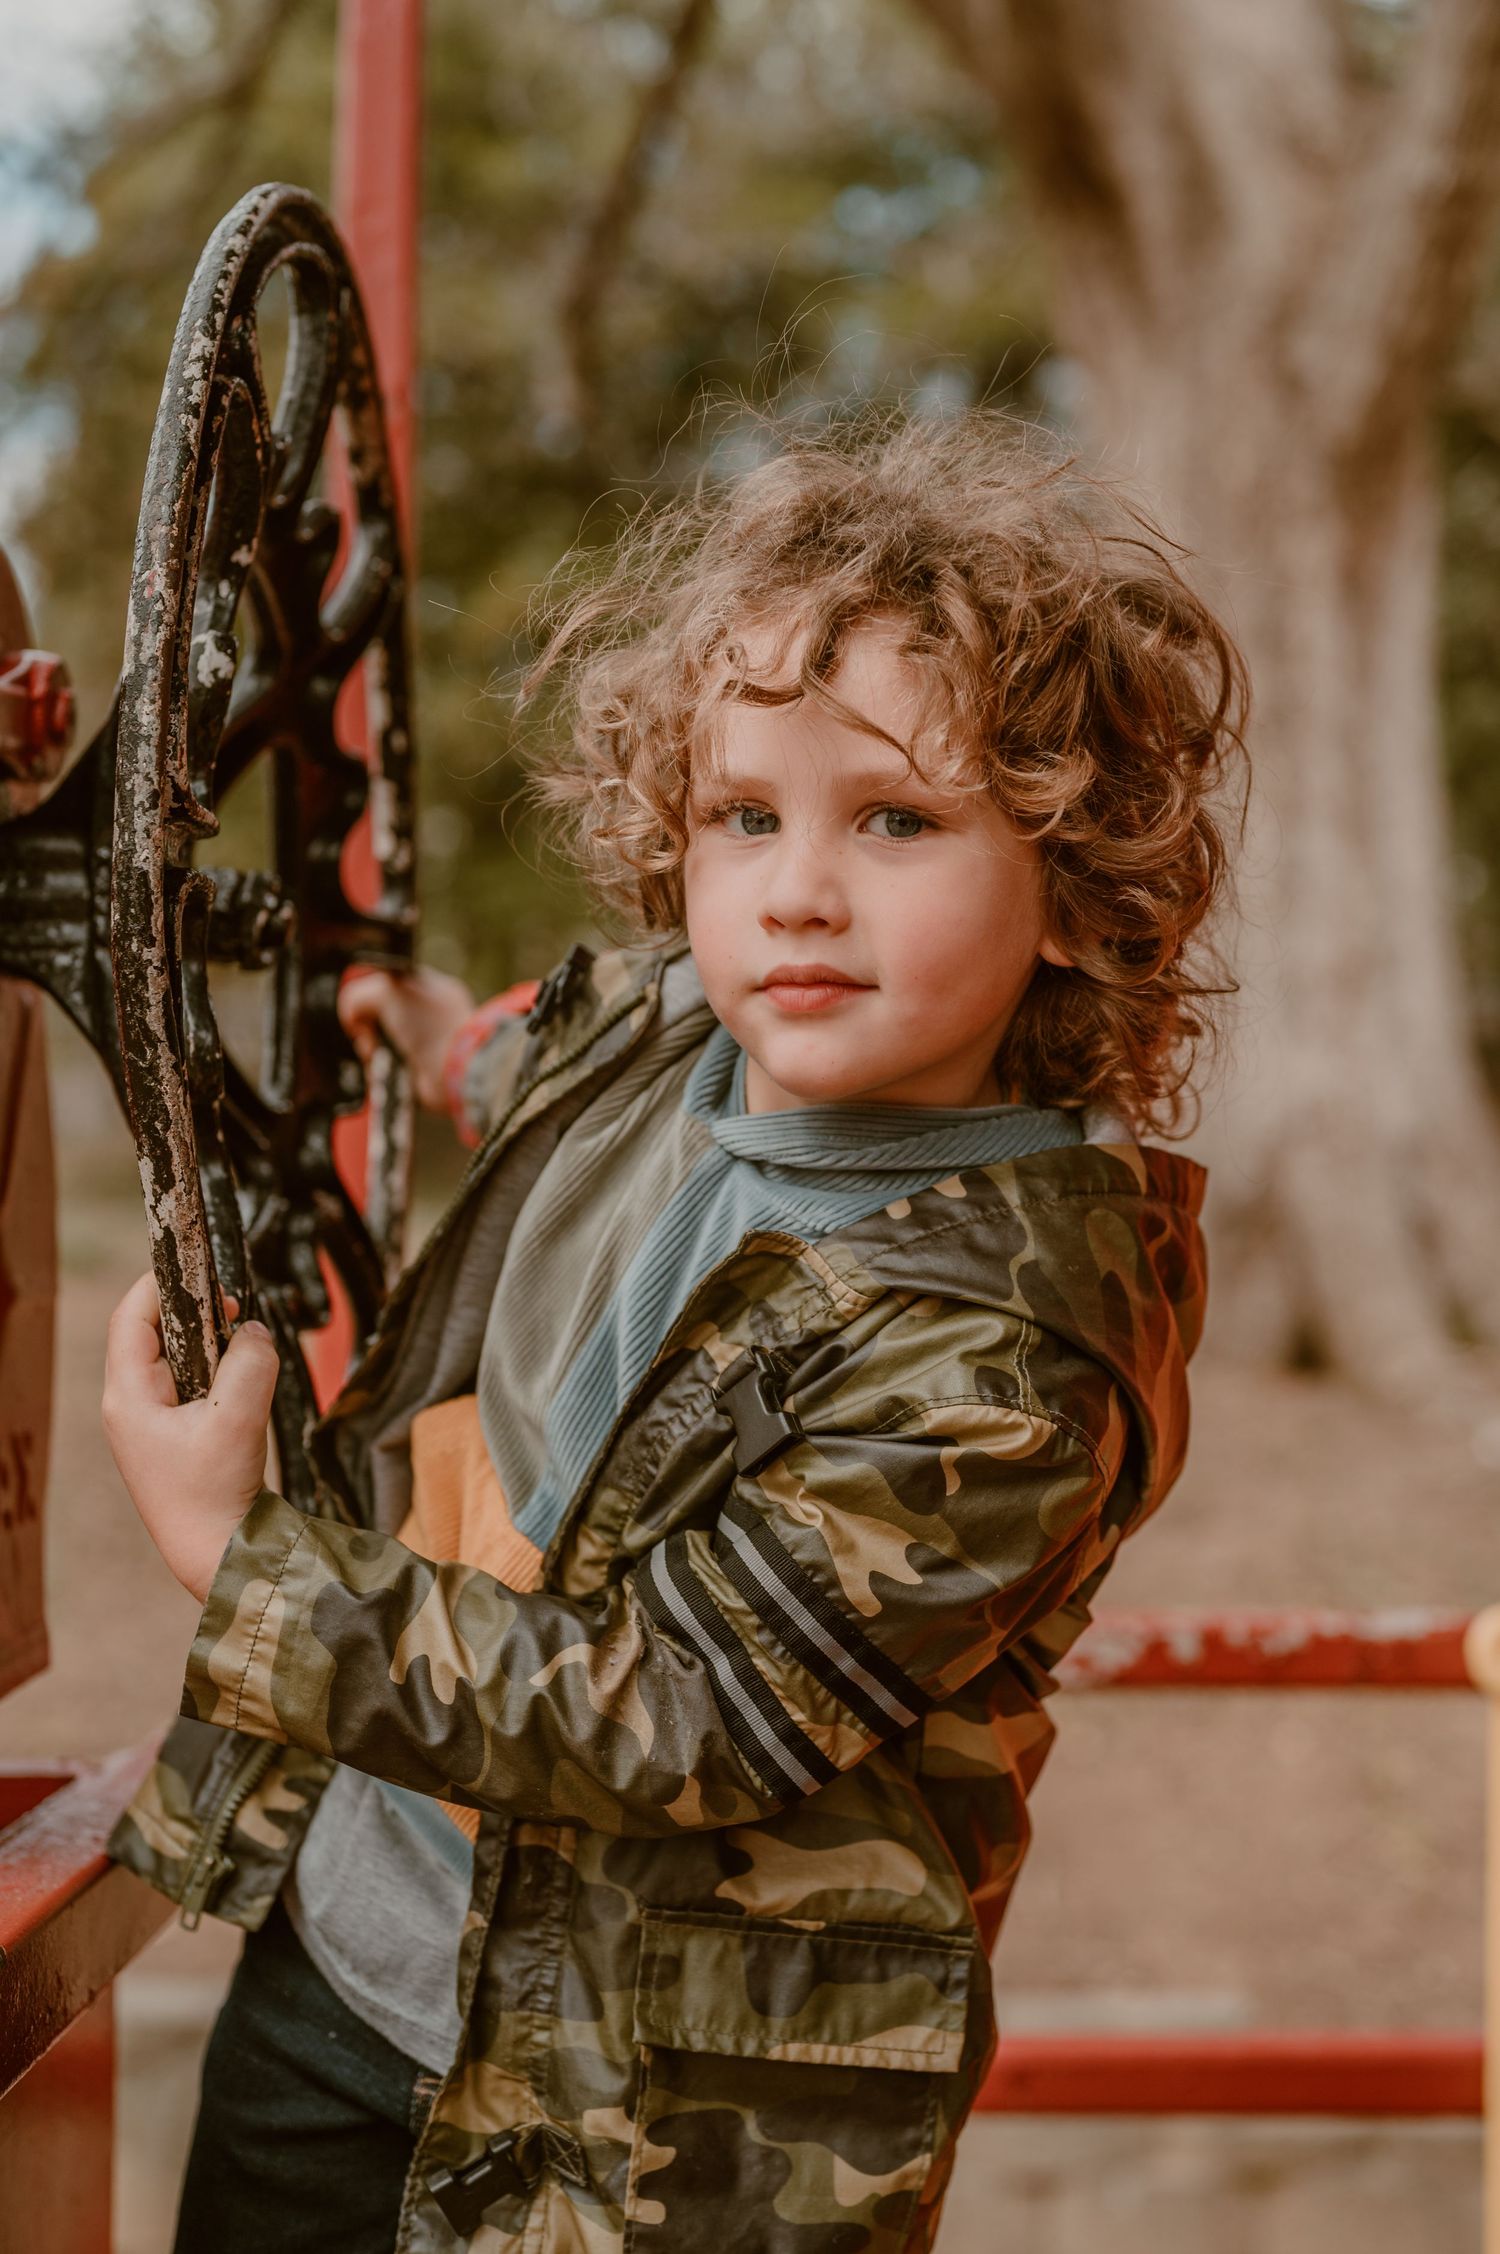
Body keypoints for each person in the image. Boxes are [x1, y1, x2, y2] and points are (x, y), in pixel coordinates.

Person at [102, 408, 1245, 2254]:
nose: (798, 885)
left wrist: (235, 1555)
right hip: (347, 1971)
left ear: (1076, 879)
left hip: (647, 2138)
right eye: (744, 816)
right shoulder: (676, 1031)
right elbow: (565, 1064)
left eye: (897, 818)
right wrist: (440, 1034)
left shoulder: (1006, 1360)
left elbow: (678, 1710)